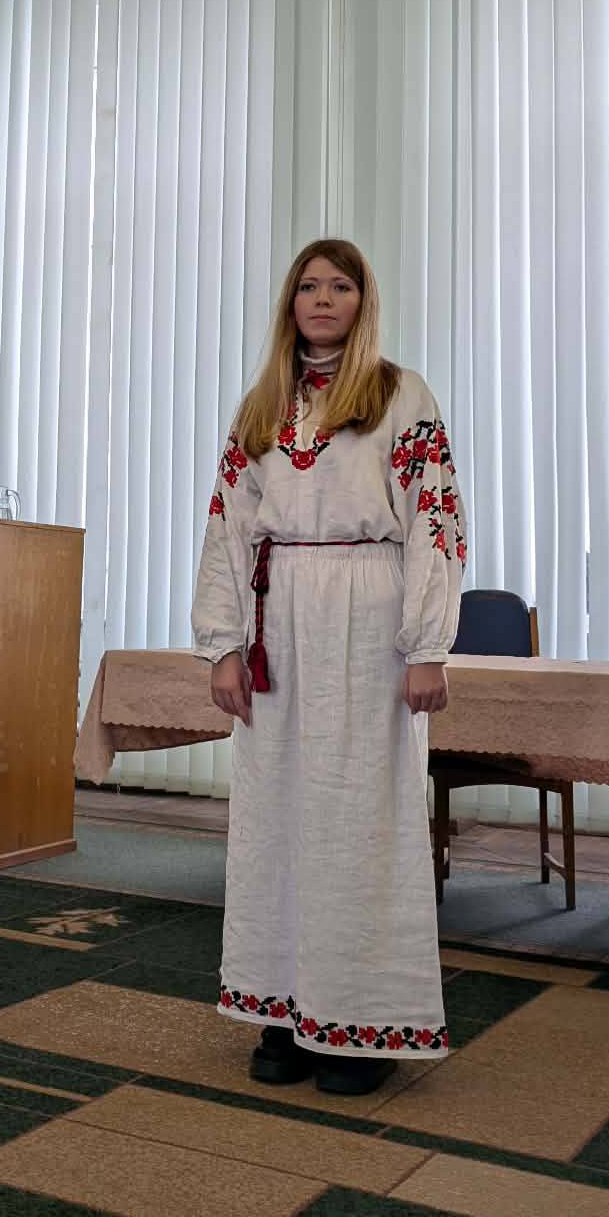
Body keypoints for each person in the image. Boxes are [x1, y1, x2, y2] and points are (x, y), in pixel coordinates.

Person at [191, 239, 465, 1096]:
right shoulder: (261, 405)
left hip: (368, 611)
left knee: (359, 815)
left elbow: (435, 519)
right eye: (308, 285)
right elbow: (226, 525)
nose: (321, 298)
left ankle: (360, 1019)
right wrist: (224, 641)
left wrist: (428, 644)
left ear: (362, 299)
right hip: (279, 615)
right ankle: (283, 1004)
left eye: (339, 285)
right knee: (277, 812)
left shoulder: (399, 395)